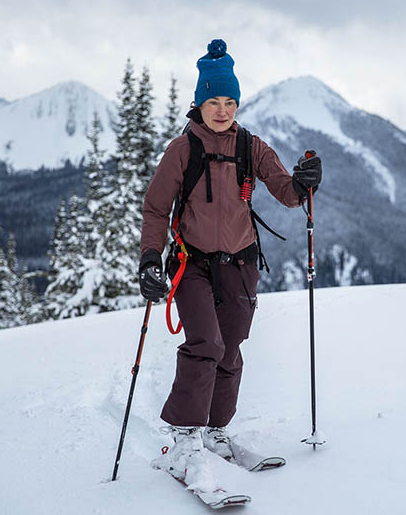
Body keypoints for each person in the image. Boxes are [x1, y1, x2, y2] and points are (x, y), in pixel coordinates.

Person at [138, 39, 322, 477]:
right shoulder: (183, 149)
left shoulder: (249, 146)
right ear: (199, 103)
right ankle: (185, 435)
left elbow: (285, 190)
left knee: (231, 348)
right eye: (213, 101)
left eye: (230, 101)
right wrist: (150, 257)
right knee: (206, 343)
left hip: (240, 264)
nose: (222, 110)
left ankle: (216, 430)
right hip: (193, 263)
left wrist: (303, 184)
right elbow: (155, 207)